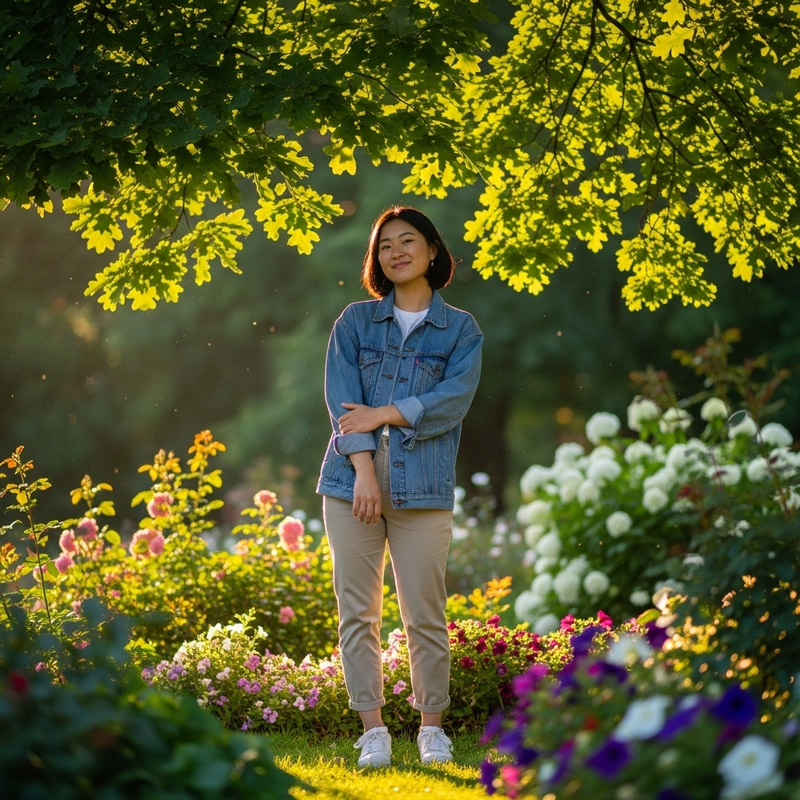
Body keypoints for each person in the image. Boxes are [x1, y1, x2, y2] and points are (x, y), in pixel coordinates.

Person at [316, 205, 483, 768]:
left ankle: (431, 729)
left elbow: (451, 403)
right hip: (348, 484)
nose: (396, 252)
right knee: (357, 612)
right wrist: (363, 470)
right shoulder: (355, 322)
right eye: (385, 245)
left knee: (425, 613)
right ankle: (374, 731)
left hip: (425, 488)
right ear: (376, 259)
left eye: (407, 241)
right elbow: (343, 405)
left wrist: (383, 411)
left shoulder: (460, 329)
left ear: (433, 251)